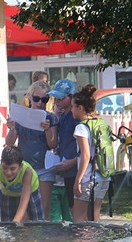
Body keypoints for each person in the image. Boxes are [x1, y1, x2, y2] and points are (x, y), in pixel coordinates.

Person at [6, 81, 57, 220]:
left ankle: (43, 233)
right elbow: (9, 143)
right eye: (36, 98)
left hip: (44, 167)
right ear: (30, 97)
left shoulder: (50, 117)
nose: (40, 103)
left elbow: (52, 144)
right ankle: (26, 233)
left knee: (44, 208)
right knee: (24, 208)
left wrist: (47, 129)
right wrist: (11, 128)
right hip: (25, 167)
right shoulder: (21, 115)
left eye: (44, 100)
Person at [70, 85, 111, 222]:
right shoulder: (99, 123)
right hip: (103, 177)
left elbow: (86, 155)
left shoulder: (81, 128)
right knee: (94, 217)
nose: (71, 110)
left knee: (79, 219)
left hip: (88, 179)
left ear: (80, 108)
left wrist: (78, 180)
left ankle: (86, 238)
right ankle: (97, 237)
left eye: (73, 106)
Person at [0, 145, 44, 223]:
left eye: (12, 169)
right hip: (8, 194)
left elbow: (24, 200)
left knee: (36, 223)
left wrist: (15, 222)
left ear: (20, 166)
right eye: (4, 167)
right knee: (7, 225)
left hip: (31, 193)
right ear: (1, 163)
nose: (8, 172)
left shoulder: (27, 172)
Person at [47, 79, 78, 221]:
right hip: (67, 170)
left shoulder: (75, 116)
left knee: (76, 211)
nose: (57, 101)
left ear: (71, 98)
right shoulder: (64, 115)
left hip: (75, 170)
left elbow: (86, 146)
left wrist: (73, 161)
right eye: (55, 98)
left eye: (60, 98)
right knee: (71, 208)